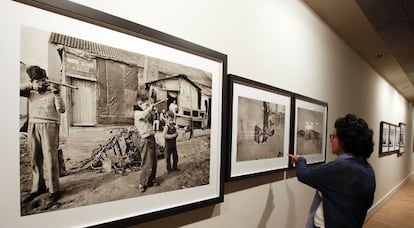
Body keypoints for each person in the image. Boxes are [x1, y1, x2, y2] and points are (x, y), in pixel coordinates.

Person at [289, 113, 376, 228]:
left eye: (334, 136)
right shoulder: (368, 169)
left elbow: (304, 174)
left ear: (344, 141)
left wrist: (301, 160)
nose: (331, 140)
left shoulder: (341, 168)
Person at [20, 65, 65, 203]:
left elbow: (62, 110)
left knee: (50, 158)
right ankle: (38, 188)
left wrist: (57, 94)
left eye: (43, 80)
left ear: (47, 80)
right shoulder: (30, 92)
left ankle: (54, 189)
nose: (41, 83)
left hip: (50, 126)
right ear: (32, 82)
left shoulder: (53, 92)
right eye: (37, 81)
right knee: (35, 158)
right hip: (33, 125)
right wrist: (32, 85)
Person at [134, 94, 158, 192]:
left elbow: (150, 115)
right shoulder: (136, 113)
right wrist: (149, 109)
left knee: (153, 161)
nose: (148, 107)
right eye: (146, 105)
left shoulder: (145, 112)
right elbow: (144, 114)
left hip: (151, 138)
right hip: (145, 139)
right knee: (146, 162)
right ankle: (142, 183)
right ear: (140, 104)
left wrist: (153, 111)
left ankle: (151, 180)